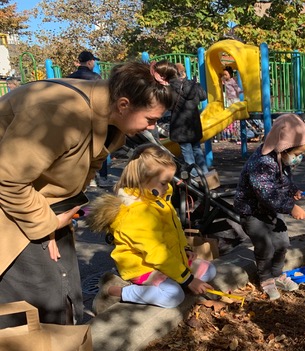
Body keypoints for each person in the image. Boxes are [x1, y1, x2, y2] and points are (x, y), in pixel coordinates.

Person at [0, 61, 178, 328]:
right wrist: (45, 224)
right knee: (38, 306)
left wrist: (55, 220)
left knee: (67, 294)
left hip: (35, 206)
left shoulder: (112, 122)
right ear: (123, 104)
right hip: (12, 208)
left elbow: (82, 170)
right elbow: (7, 180)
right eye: (150, 119)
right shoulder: (58, 114)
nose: (152, 128)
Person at [87, 144, 216, 313]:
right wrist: (188, 280)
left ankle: (174, 278)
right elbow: (156, 252)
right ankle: (114, 291)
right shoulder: (135, 212)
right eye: (164, 183)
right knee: (173, 296)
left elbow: (175, 228)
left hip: (166, 260)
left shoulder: (157, 198)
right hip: (143, 266)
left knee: (209, 270)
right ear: (143, 179)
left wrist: (185, 249)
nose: (168, 187)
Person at [233, 113, 305, 300]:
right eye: (297, 154)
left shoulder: (280, 158)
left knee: (282, 242)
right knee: (265, 247)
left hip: (271, 209)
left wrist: (292, 190)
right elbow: (267, 193)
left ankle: (277, 274)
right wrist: (291, 207)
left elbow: (283, 181)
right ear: (284, 147)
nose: (298, 158)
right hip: (252, 212)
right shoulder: (261, 163)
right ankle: (266, 278)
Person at [66, 50, 114, 189]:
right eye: (94, 61)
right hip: (93, 117)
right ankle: (102, 178)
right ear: (90, 62)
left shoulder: (70, 78)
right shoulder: (95, 78)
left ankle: (86, 179)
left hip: (75, 119)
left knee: (80, 149)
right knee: (99, 147)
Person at [169, 62, 209, 173]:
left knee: (187, 153)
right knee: (197, 149)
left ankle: (195, 176)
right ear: (184, 73)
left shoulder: (171, 87)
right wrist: (195, 84)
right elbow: (203, 97)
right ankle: (205, 173)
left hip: (179, 125)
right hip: (194, 123)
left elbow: (169, 105)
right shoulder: (193, 85)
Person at [221, 66, 243, 142]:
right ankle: (234, 134)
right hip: (229, 99)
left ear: (230, 74)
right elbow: (221, 80)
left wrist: (241, 92)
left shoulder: (233, 80)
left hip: (235, 99)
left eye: (226, 74)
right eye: (224, 74)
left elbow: (237, 88)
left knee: (236, 117)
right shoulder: (224, 80)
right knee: (231, 116)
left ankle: (238, 135)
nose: (224, 76)